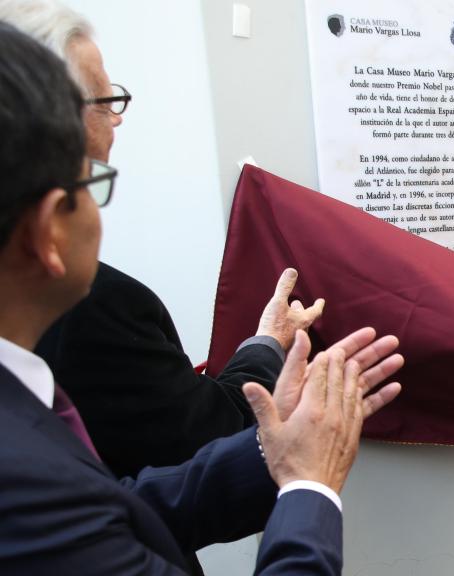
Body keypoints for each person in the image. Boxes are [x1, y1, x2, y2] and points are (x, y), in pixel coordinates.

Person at [0, 21, 403, 573]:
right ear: (47, 230)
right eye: (92, 182)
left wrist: (271, 450)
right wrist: (310, 487)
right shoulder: (21, 481)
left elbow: (117, 506)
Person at [0, 0, 323, 478]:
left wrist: (266, 342)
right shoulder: (99, 308)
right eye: (91, 185)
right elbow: (198, 446)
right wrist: (310, 486)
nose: (118, 118)